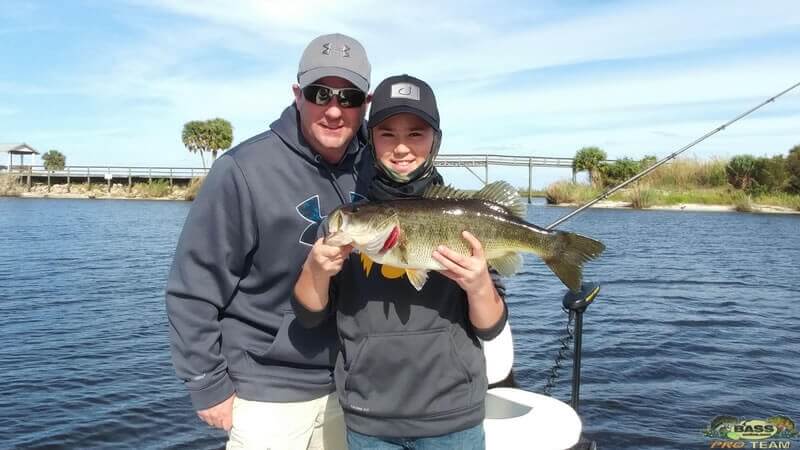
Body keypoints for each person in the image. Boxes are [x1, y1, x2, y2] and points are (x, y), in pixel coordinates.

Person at [165, 33, 374, 450]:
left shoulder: (376, 167)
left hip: (354, 387)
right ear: (298, 95)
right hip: (265, 391)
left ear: (365, 104)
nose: (334, 109)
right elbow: (192, 289)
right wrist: (208, 383)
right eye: (320, 93)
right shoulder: (242, 170)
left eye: (349, 97)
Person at [293, 74, 508, 449]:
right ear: (370, 140)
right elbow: (310, 316)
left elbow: (490, 328)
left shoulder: (463, 216)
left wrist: (479, 285)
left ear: (435, 141)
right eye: (387, 134)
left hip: (453, 416)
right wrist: (315, 269)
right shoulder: (350, 220)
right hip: (369, 417)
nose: (402, 148)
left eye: (416, 134)